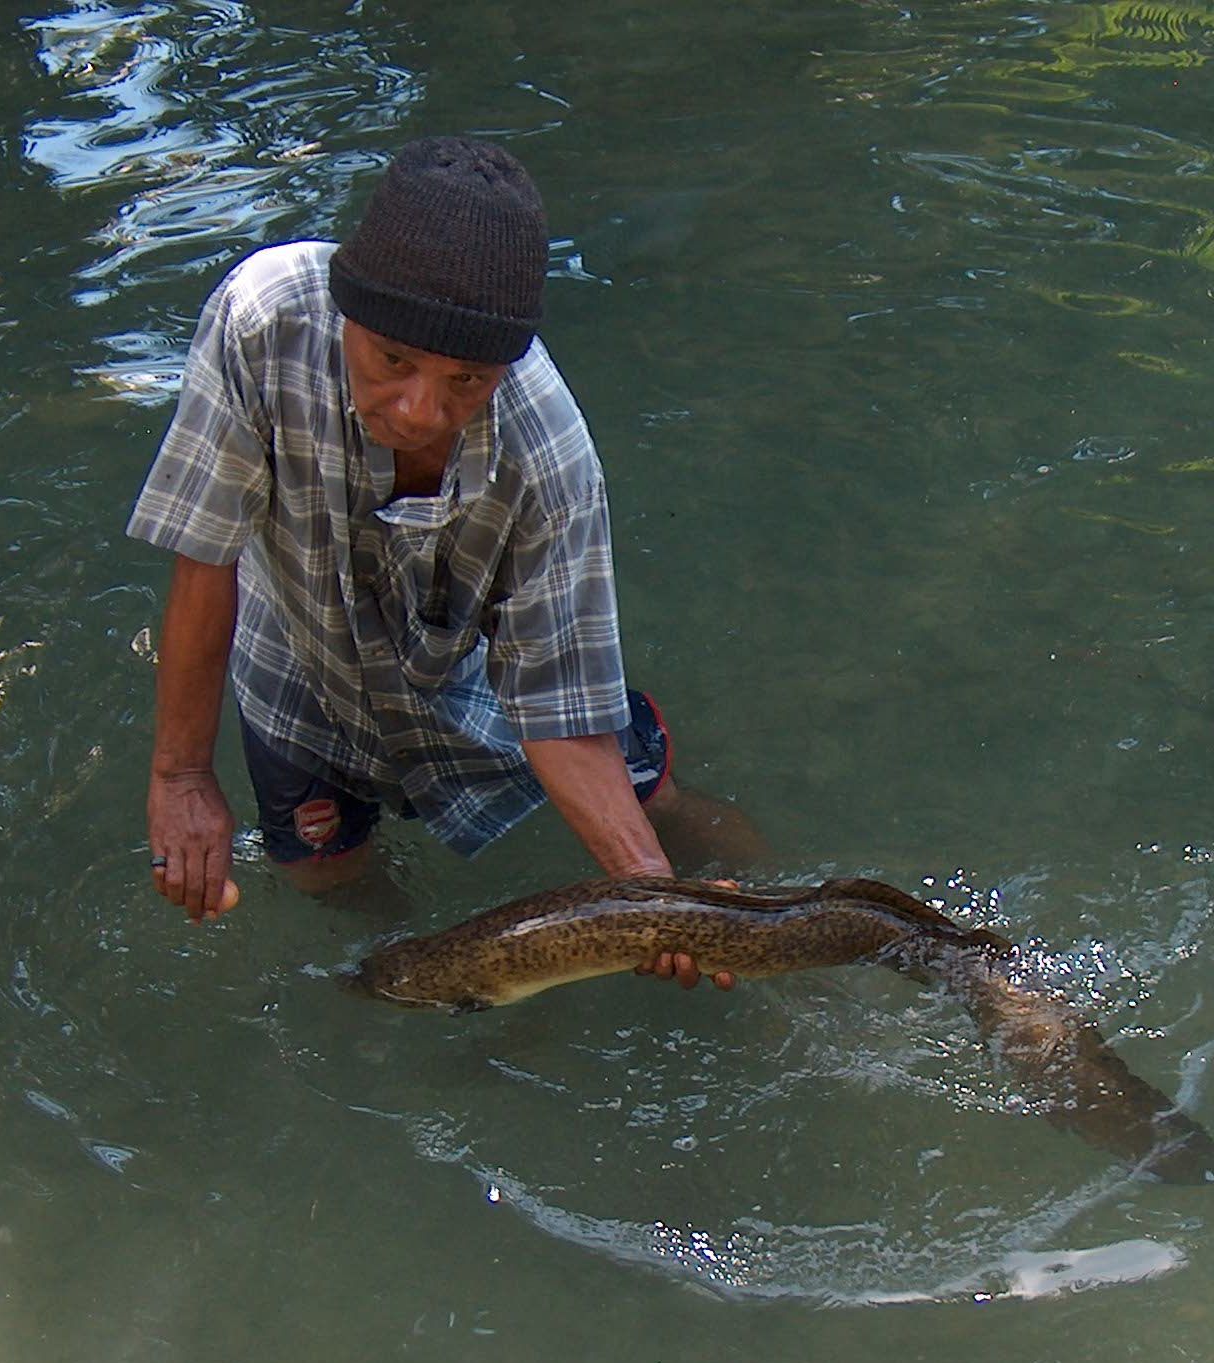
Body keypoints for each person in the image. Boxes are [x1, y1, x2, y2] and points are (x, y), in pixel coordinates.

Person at [128, 136, 761, 987]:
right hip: (303, 654)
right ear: (343, 310)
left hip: (476, 669)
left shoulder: (548, 457)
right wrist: (181, 772)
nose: (422, 410)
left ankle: (765, 901)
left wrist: (653, 897)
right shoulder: (262, 321)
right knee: (322, 872)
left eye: (468, 381)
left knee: (655, 806)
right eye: (393, 361)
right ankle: (396, 992)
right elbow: (206, 554)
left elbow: (556, 709)